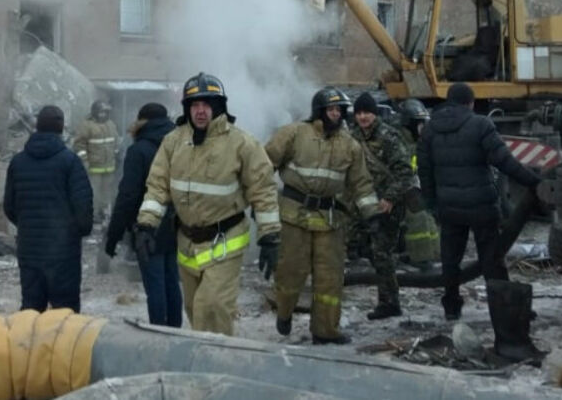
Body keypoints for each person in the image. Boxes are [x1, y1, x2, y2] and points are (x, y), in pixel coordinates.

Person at [135, 72, 280, 336]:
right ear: (187, 108)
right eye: (194, 105)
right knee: (193, 309)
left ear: (218, 107)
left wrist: (270, 236)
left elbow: (263, 189)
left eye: (206, 104)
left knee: (211, 307)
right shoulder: (173, 141)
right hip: (187, 242)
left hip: (224, 242)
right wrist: (146, 225)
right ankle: (204, 353)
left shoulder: (241, 143)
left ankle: (217, 359)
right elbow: (157, 186)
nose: (200, 111)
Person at [417, 82, 543, 362]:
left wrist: (433, 204)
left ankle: (451, 306)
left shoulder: (430, 129)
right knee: (492, 260)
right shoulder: (480, 125)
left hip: (449, 206)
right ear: (471, 103)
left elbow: (425, 171)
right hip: (482, 206)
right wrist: (534, 182)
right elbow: (504, 162)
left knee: (451, 259)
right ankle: (505, 309)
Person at [265, 87, 379, 345]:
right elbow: (263, 165)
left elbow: (361, 183)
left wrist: (371, 213)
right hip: (294, 216)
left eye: (340, 110)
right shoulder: (294, 134)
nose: (336, 114)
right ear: (319, 110)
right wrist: (260, 201)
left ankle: (325, 330)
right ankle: (284, 311)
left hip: (330, 220)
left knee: (330, 279)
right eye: (331, 109)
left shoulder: (350, 146)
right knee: (290, 272)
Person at [4, 105, 93, 313]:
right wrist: (78, 231)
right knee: (65, 312)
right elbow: (83, 205)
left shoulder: (18, 162)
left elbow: (9, 206)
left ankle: (29, 336)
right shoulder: (70, 161)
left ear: (37, 126)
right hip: (63, 251)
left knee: (31, 309)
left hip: (29, 248)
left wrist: (27, 226)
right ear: (61, 128)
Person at [104, 103, 182, 327]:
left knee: (155, 284)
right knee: (172, 281)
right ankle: (175, 331)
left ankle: (158, 332)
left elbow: (128, 195)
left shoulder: (138, 150)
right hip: (176, 222)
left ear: (142, 121)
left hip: (147, 225)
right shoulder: (179, 145)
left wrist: (113, 235)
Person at [351, 92, 417, 320]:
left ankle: (389, 302)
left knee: (382, 253)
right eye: (359, 113)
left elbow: (405, 173)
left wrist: (389, 198)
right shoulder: (353, 136)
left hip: (386, 205)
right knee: (364, 247)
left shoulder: (389, 137)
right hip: (363, 204)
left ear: (375, 114)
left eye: (367, 113)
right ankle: (389, 294)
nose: (363, 117)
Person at [396, 99, 440, 270]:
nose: (423, 128)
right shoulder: (399, 143)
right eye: (419, 124)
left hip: (414, 187)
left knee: (429, 217)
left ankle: (434, 253)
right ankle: (421, 257)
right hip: (400, 189)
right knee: (418, 218)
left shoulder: (417, 143)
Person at [73, 100, 119, 224]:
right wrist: (84, 161)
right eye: (101, 112)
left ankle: (104, 213)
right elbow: (79, 145)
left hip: (109, 167)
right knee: (93, 193)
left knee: (106, 193)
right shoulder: (86, 125)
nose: (103, 115)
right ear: (94, 112)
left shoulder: (111, 124)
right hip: (93, 168)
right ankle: (92, 215)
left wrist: (116, 155)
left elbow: (115, 142)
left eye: (106, 112)